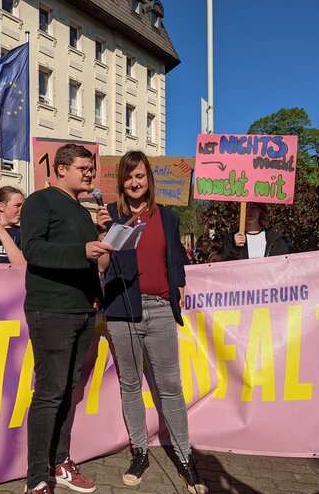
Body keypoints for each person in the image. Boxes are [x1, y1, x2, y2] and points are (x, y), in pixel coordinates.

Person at [100, 151, 208, 493]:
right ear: (121, 182)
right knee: (130, 386)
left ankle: (185, 457)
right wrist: (106, 233)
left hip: (160, 310)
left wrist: (176, 288)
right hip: (122, 311)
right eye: (129, 177)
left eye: (140, 176)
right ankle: (140, 452)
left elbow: (175, 259)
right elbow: (101, 267)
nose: (135, 182)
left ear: (149, 179)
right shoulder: (110, 216)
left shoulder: (168, 217)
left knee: (170, 388)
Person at [20, 143, 112, 494]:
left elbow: (91, 263)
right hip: (52, 311)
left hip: (82, 311)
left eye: (91, 168)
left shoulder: (81, 209)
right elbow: (33, 249)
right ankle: (36, 480)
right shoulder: (39, 202)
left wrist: (102, 238)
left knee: (68, 392)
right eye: (82, 167)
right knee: (49, 394)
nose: (90, 173)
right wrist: (83, 250)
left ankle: (59, 462)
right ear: (60, 169)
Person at [220, 202, 287, 260]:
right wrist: (235, 248)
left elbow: (280, 267)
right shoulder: (231, 238)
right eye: (245, 207)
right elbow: (226, 267)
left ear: (260, 210)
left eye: (253, 207)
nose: (248, 211)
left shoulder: (275, 240)